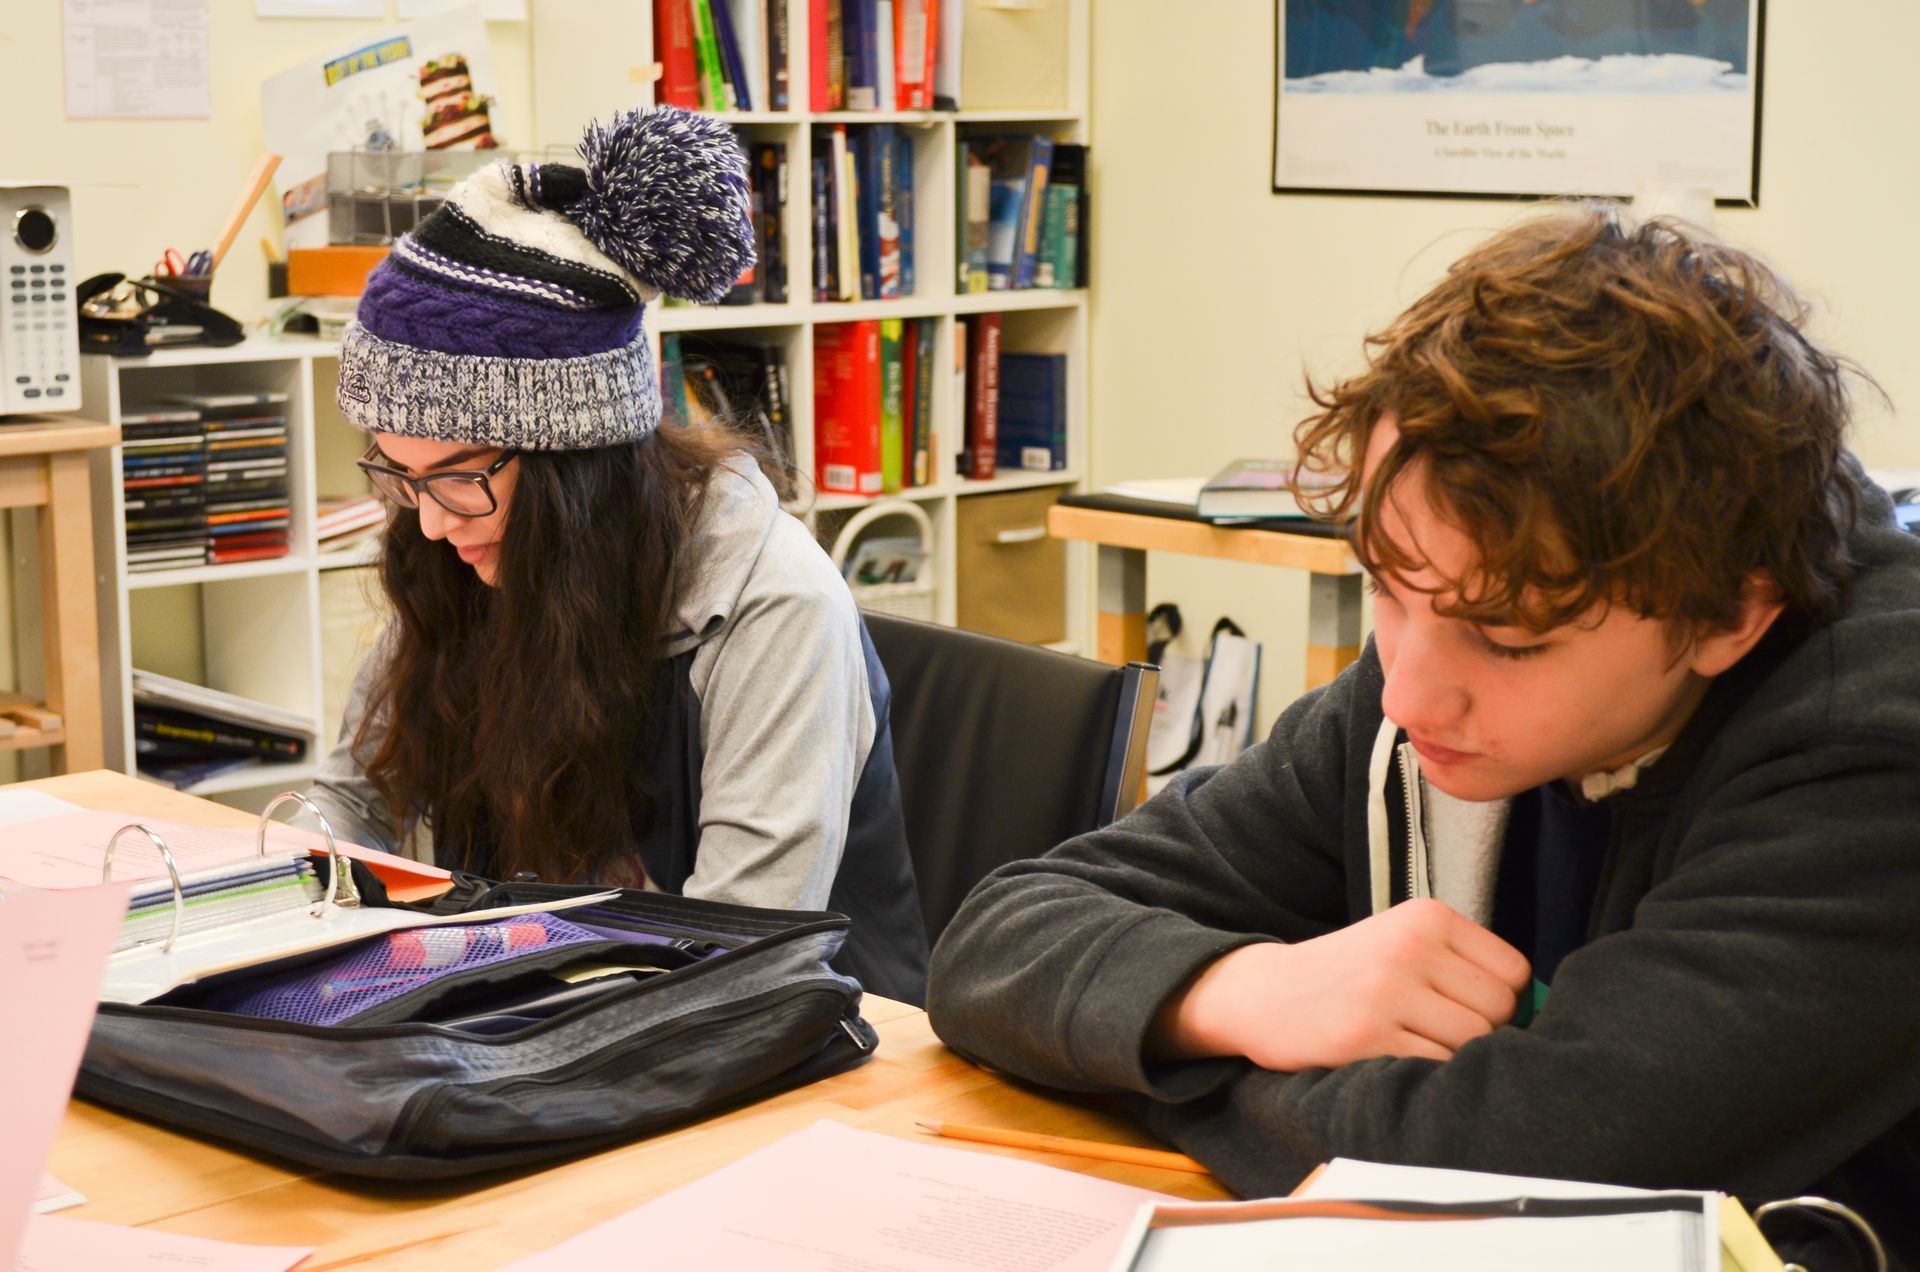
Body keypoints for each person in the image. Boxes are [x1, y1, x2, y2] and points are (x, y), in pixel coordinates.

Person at [925, 204, 1920, 1266]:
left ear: (1732, 614)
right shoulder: (1436, 664)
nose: (1407, 697)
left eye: (1508, 639)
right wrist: (1241, 993)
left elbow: (1501, 1172)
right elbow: (995, 943)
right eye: (1388, 591)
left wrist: (1149, 1057)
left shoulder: (1874, 749)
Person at [307, 107, 929, 1004]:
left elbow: (736, 954)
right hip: (545, 1011)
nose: (432, 524)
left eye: (455, 478)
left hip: (777, 1055)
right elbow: (353, 796)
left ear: (577, 468)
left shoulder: (773, 606)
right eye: (399, 474)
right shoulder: (463, 546)